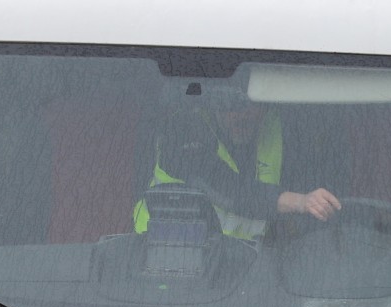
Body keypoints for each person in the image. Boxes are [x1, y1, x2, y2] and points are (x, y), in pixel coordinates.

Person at [134, 101, 340, 239]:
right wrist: (300, 202)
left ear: (264, 105)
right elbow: (223, 188)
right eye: (228, 107)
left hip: (244, 267)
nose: (239, 116)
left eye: (248, 106)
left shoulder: (284, 128)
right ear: (212, 105)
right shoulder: (183, 128)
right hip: (168, 255)